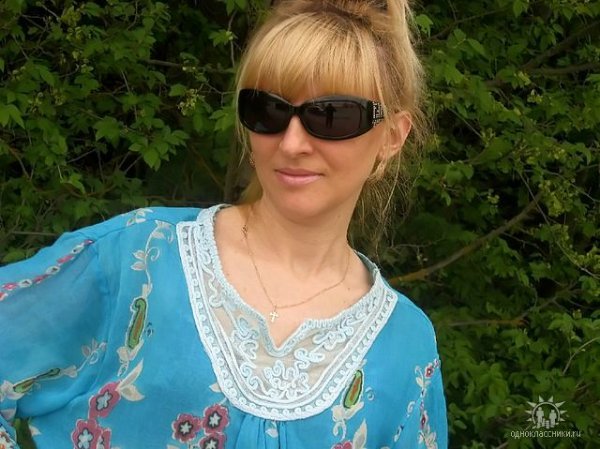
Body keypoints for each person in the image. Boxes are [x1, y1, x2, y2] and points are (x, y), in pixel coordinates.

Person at [0, 0, 447, 448]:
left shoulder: (405, 348)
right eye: (268, 111)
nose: (292, 143)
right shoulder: (140, 261)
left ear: (392, 136)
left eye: (331, 116)